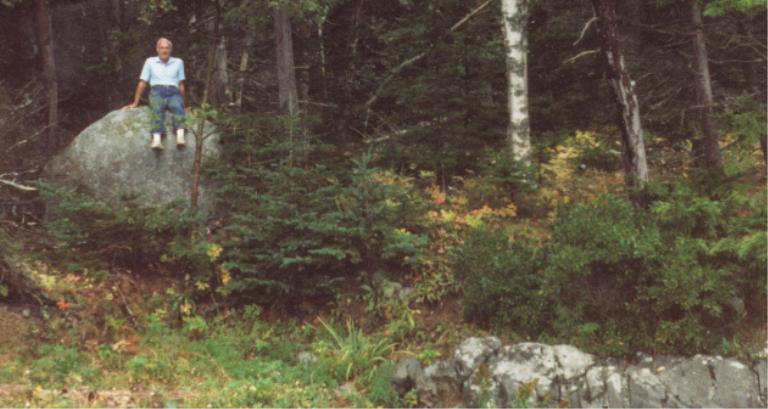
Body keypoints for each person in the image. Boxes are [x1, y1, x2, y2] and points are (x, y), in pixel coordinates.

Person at [123, 37, 188, 150]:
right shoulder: (150, 61)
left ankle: (180, 137)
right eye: (162, 48)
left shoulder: (178, 62)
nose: (164, 50)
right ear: (157, 49)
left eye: (167, 48)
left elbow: (181, 84)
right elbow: (142, 82)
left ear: (171, 49)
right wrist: (135, 103)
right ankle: (156, 140)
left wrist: (184, 105)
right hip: (157, 90)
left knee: (177, 106)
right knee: (157, 108)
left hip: (173, 91)